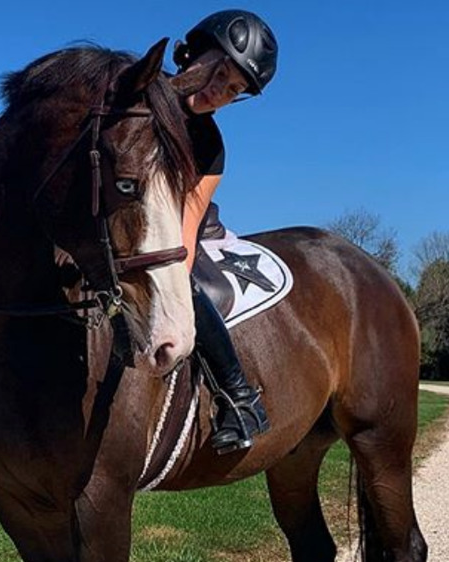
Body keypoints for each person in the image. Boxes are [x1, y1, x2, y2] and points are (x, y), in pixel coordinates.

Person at [173, 9, 278, 454]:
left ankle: (239, 398)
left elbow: (187, 221)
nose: (220, 93)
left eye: (233, 90)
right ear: (194, 52)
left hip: (177, 225)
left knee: (189, 279)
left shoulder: (212, 147)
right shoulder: (139, 94)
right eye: (220, 73)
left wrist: (172, 259)